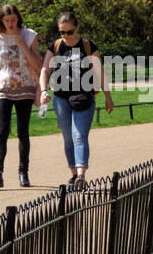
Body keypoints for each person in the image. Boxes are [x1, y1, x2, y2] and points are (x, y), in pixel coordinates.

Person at [38, 12, 114, 190]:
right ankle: (73, 175)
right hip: (61, 98)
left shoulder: (88, 46)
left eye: (69, 32)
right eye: (62, 32)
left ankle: (81, 175)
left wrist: (108, 97)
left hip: (84, 97)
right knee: (68, 138)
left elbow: (99, 72)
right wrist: (43, 91)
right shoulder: (55, 46)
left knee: (79, 135)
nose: (65, 36)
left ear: (76, 28)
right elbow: (44, 71)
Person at [0, 3, 43, 188]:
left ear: (18, 19)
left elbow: (38, 64)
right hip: (2, 88)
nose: (10, 23)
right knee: (2, 131)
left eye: (13, 20)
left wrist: (23, 45)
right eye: (6, 20)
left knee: (23, 131)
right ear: (1, 20)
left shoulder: (29, 35)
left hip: (25, 87)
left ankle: (23, 172)